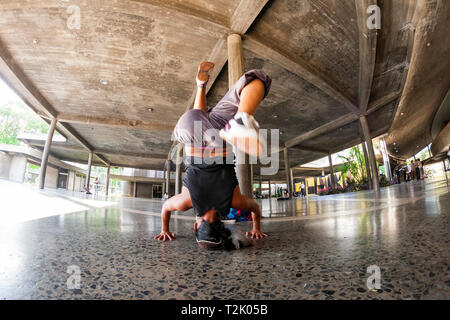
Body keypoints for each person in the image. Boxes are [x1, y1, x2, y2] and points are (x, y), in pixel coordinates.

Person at [154, 61, 271, 250]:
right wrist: (164, 230)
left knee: (258, 79)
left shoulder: (234, 201)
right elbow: (166, 208)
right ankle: (200, 86)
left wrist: (256, 228)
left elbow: (255, 208)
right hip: (191, 129)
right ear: (196, 225)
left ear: (221, 225)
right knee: (198, 119)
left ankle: (241, 119)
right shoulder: (186, 202)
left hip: (222, 134)